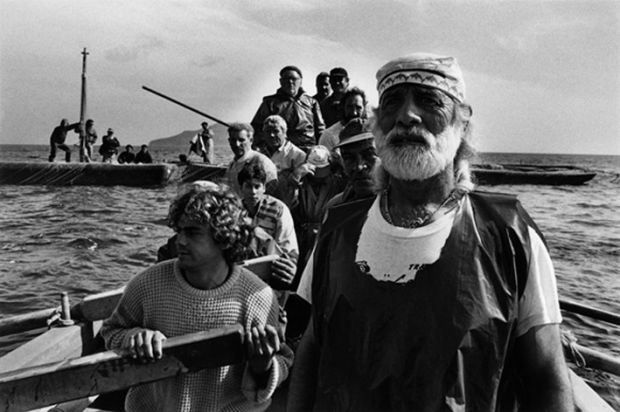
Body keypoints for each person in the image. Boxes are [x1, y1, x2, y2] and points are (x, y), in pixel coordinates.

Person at [287, 53, 573, 411]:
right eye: (393, 102)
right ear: (377, 126)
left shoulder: (508, 232)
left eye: (428, 100)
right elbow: (311, 353)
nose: (407, 116)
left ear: (462, 123)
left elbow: (546, 376)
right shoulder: (338, 230)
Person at [101, 183, 293, 411]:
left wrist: (262, 366)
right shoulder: (148, 284)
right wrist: (135, 336)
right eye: (178, 231)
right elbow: (111, 332)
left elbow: (283, 360)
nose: (180, 241)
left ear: (223, 236)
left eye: (192, 233)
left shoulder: (256, 296)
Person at [238, 159, 299, 291]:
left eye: (257, 186)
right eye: (248, 186)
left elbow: (287, 251)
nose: (253, 192)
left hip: (273, 274)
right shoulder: (235, 211)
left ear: (264, 188)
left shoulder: (278, 209)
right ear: (241, 187)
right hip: (241, 274)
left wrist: (256, 230)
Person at [251, 66, 325, 152]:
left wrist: (321, 150)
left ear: (300, 81)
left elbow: (320, 130)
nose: (290, 82)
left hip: (308, 150)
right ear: (281, 82)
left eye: (293, 79)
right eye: (286, 79)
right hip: (281, 151)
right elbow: (256, 128)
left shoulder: (312, 102)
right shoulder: (270, 103)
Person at [225, 122, 278, 196]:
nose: (237, 144)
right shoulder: (232, 165)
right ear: (229, 141)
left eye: (241, 140)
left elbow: (271, 193)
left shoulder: (262, 162)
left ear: (251, 140)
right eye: (233, 140)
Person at [318, 87, 368, 151]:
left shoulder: (372, 133)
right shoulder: (328, 136)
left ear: (364, 109)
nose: (354, 113)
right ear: (343, 107)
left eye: (358, 108)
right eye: (349, 107)